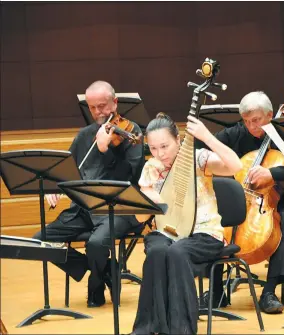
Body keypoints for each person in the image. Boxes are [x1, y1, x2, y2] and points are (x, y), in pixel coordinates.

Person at [196, 91, 284, 314]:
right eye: (246, 121)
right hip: (247, 201)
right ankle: (216, 291)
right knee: (214, 220)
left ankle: (269, 291)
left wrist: (273, 173)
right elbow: (199, 147)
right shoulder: (238, 133)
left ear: (270, 115)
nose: (251, 126)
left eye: (256, 120)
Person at [33, 80, 144, 307]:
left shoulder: (131, 133)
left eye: (102, 106)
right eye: (92, 107)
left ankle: (95, 285)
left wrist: (105, 150)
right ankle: (103, 270)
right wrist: (55, 188)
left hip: (120, 209)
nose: (97, 113)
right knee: (38, 242)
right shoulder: (84, 136)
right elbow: (66, 171)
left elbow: (133, 175)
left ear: (115, 102)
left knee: (95, 243)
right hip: (83, 209)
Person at [131, 112, 242, 335]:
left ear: (178, 141)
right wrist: (148, 200)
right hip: (167, 232)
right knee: (157, 252)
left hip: (204, 234)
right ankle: (146, 328)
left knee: (177, 252)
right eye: (153, 148)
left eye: (164, 146)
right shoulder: (151, 168)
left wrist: (207, 137)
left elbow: (235, 166)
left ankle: (181, 330)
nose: (159, 154)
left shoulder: (198, 158)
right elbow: (139, 218)